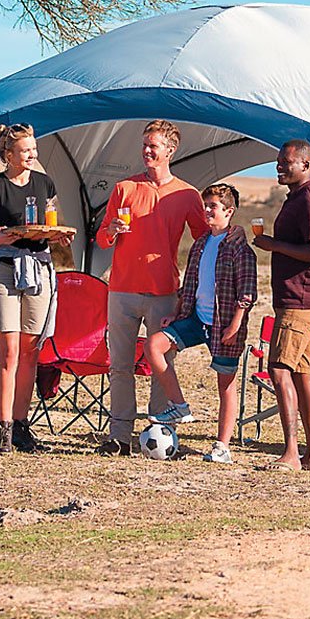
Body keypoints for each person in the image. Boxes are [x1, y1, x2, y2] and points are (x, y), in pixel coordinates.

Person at [95, 119, 208, 456]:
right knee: (120, 366)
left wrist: (194, 290)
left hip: (164, 294)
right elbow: (101, 239)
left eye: (153, 145)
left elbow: (204, 242)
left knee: (163, 363)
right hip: (122, 291)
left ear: (170, 151)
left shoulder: (187, 194)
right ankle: (120, 437)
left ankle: (161, 433)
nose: (146, 151)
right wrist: (112, 230)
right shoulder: (124, 188)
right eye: (144, 144)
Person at [143, 183, 257, 464]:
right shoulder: (201, 243)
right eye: (205, 206)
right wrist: (179, 311)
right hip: (196, 319)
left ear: (229, 211)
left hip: (225, 325)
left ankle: (222, 446)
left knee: (225, 385)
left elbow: (247, 293)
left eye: (213, 207)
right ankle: (179, 405)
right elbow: (190, 284)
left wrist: (235, 325)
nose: (207, 211)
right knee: (154, 345)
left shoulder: (240, 249)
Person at [0, 123, 68, 455]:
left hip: (39, 268)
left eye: (34, 149)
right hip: (6, 270)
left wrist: (57, 236)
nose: (32, 155)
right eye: (26, 150)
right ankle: (3, 429)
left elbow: (50, 223)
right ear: (8, 154)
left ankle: (21, 426)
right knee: (9, 352)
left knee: (31, 352)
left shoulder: (45, 183)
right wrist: (1, 238)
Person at [251, 140, 310, 472]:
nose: (279, 166)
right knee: (300, 374)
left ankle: (291, 454)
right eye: (278, 161)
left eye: (286, 162)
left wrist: (274, 246)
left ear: (306, 165)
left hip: (301, 300)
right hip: (296, 297)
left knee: (279, 369)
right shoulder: (297, 199)